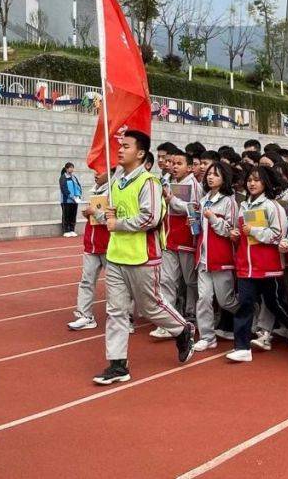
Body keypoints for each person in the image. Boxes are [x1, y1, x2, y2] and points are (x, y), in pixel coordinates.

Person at [93, 131, 194, 386]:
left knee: (151, 306)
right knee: (116, 311)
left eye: (126, 147)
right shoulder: (117, 181)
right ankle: (117, 364)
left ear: (140, 153)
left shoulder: (149, 182)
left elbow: (151, 218)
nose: (120, 150)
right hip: (116, 255)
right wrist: (106, 216)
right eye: (120, 146)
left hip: (142, 255)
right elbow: (110, 214)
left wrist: (120, 223)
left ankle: (183, 329)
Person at [226, 165, 288, 362]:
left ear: (266, 182)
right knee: (245, 304)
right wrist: (235, 234)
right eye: (249, 179)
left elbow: (278, 235)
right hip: (246, 264)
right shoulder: (243, 206)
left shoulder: (273, 206)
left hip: (268, 265)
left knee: (274, 302)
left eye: (257, 179)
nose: (252, 183)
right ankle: (242, 347)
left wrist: (255, 231)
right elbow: (239, 232)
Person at [193, 161, 240, 351]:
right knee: (203, 299)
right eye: (209, 174)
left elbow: (230, 231)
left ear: (224, 178)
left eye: (216, 174)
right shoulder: (204, 199)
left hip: (221, 258)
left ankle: (251, 315)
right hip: (203, 258)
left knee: (226, 301)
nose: (210, 177)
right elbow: (200, 230)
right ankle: (207, 336)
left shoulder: (229, 201)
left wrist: (212, 218)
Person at [157, 151, 200, 332]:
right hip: (169, 238)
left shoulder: (194, 185)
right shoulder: (167, 182)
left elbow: (195, 208)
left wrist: (172, 200)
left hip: (186, 239)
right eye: (172, 163)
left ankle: (191, 313)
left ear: (189, 167)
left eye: (179, 163)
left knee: (190, 281)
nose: (174, 166)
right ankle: (169, 319)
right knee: (167, 279)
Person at [69, 171, 110, 330]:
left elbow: (113, 219)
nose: (96, 174)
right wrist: (89, 215)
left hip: (108, 245)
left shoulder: (114, 192)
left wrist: (96, 213)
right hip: (91, 243)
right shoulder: (94, 190)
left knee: (115, 284)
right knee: (86, 281)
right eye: (94, 170)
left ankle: (122, 317)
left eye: (100, 170)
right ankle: (85, 315)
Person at [59, 162, 82, 238]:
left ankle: (72, 230)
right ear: (66, 168)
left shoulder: (74, 177)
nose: (71, 169)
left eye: (72, 167)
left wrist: (78, 196)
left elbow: (78, 186)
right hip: (66, 200)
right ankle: (66, 230)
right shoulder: (63, 178)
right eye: (70, 167)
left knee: (73, 215)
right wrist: (71, 196)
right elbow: (64, 189)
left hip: (75, 201)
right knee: (66, 215)